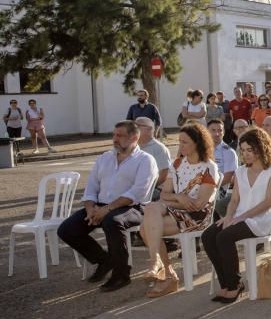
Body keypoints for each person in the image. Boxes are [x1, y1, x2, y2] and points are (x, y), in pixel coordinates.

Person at [57, 121, 157, 291]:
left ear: (134, 137)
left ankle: (121, 275)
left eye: (120, 135)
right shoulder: (104, 158)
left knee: (112, 220)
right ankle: (104, 260)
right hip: (101, 206)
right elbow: (91, 188)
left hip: (134, 207)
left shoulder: (145, 160)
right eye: (114, 135)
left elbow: (137, 192)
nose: (115, 139)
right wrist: (90, 208)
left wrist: (107, 209)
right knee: (67, 229)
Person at [202, 128, 271, 304]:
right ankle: (225, 283)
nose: (245, 154)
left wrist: (241, 218)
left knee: (224, 237)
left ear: (261, 148)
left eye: (250, 150)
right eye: (243, 150)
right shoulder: (240, 171)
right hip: (240, 216)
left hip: (261, 220)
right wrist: (228, 217)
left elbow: (269, 202)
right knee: (208, 235)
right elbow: (234, 200)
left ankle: (235, 284)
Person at [139, 122, 218, 297]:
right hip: (177, 210)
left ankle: (166, 272)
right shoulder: (177, 164)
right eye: (179, 141)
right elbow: (164, 195)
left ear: (197, 143)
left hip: (197, 217)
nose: (180, 146)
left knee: (145, 228)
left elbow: (198, 204)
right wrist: (180, 198)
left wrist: (174, 200)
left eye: (184, 142)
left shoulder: (209, 167)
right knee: (151, 210)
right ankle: (160, 267)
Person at [207, 118, 238, 217]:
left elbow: (228, 178)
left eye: (220, 130)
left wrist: (206, 187)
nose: (217, 134)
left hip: (218, 190)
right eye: (213, 130)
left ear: (224, 132)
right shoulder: (200, 150)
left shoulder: (228, 152)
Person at [136, 117, 171, 196]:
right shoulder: (132, 146)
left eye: (138, 125)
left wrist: (147, 187)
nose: (134, 128)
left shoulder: (159, 148)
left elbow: (163, 175)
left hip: (152, 189)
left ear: (149, 129)